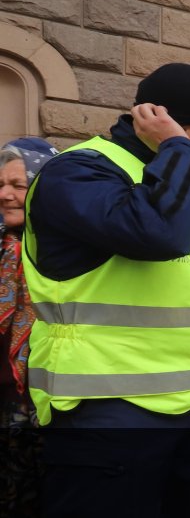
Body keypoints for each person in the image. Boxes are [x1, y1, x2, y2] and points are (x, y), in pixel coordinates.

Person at [23, 63, 190, 517]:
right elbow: (158, 236)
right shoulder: (77, 173)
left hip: (180, 412)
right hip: (103, 417)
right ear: (175, 127)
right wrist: (178, 150)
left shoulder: (178, 184)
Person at [0, 138, 55, 517]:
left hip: (55, 404)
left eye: (18, 185)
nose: (5, 195)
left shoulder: (69, 247)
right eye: (0, 184)